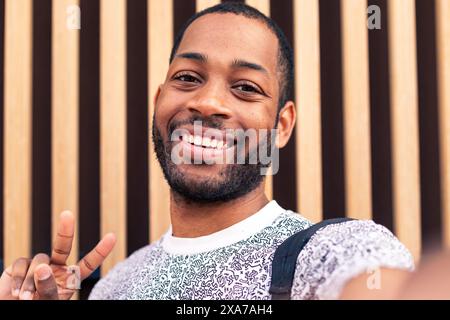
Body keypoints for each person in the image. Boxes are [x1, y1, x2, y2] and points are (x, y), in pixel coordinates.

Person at [1, 2, 436, 300]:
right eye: (188, 78)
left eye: (245, 88)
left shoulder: (328, 252)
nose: (207, 103)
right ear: (159, 103)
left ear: (281, 126)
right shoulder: (118, 283)